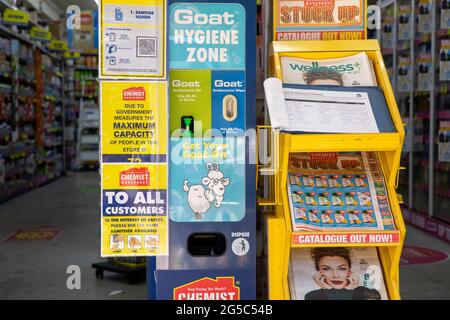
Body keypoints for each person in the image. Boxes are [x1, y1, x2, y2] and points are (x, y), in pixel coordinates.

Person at [305, 247, 381, 300]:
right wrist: (330, 291)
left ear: (349, 269)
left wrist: (347, 292)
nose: (335, 275)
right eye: (326, 269)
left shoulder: (370, 293)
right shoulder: (312, 296)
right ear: (318, 272)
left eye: (341, 269)